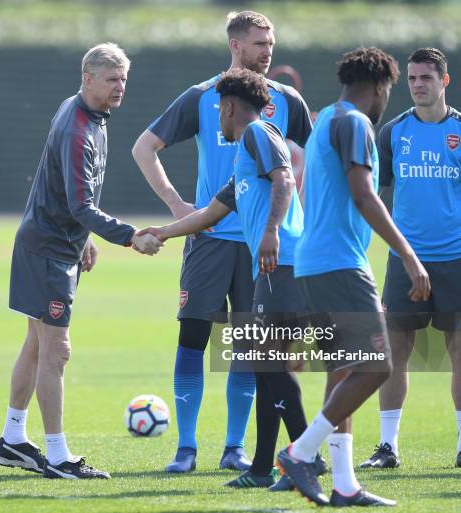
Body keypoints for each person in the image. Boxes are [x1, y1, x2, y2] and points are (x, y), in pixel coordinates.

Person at [132, 10, 312, 473]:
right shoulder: (203, 96)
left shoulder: (287, 102)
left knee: (252, 346)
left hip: (263, 247)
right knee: (193, 336)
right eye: (258, 43)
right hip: (210, 237)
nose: (267, 51)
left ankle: (235, 447)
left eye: (271, 43)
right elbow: (143, 147)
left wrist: (290, 223)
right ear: (235, 45)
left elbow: (302, 169)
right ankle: (186, 448)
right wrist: (177, 209)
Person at [0, 43, 162, 480]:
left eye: (124, 79)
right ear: (87, 78)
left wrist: (82, 236)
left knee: (36, 345)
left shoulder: (90, 114)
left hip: (55, 245)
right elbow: (80, 202)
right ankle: (58, 457)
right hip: (47, 251)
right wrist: (131, 237)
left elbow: (68, 193)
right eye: (112, 79)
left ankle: (12, 441)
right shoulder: (77, 127)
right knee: (56, 352)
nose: (120, 87)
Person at [276, 47, 431, 507]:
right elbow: (364, 195)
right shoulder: (357, 124)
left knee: (344, 370)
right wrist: (408, 254)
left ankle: (344, 485)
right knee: (377, 367)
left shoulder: (326, 119)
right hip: (339, 264)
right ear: (382, 86)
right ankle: (301, 452)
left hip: (315, 262)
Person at [360, 47, 461, 470]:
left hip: (455, 260)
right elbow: (372, 194)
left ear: (444, 81)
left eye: (426, 78)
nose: (419, 85)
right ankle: (388, 447)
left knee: (459, 353)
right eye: (413, 78)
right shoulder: (394, 133)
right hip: (404, 262)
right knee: (394, 353)